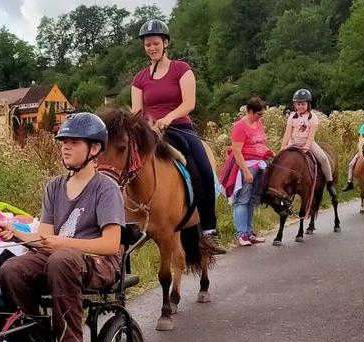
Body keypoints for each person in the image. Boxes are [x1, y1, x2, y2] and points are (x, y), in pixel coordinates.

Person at [0, 113, 124, 342]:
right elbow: (45, 239)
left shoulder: (106, 188)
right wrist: (15, 233)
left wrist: (62, 244)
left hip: (99, 263)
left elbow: (111, 245)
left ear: (95, 148)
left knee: (61, 259)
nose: (65, 146)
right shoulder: (54, 187)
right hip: (60, 259)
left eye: (74, 142)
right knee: (11, 269)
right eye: (63, 141)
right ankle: (36, 341)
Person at [130, 19, 226, 254]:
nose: (151, 48)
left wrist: (167, 119)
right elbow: (136, 111)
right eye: (147, 45)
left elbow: (189, 103)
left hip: (179, 128)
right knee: (123, 167)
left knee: (202, 168)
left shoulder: (181, 69)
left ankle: (209, 231)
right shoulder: (139, 78)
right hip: (150, 132)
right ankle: (128, 225)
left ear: (165, 44)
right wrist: (146, 125)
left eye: (155, 43)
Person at [227, 97, 272, 246]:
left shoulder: (258, 123)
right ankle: (241, 234)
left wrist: (267, 152)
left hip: (259, 164)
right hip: (247, 166)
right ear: (250, 111)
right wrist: (245, 171)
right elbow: (236, 151)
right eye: (259, 114)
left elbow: (260, 142)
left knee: (252, 200)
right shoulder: (240, 127)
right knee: (242, 200)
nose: (260, 117)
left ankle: (249, 232)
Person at [280, 88, 334, 186]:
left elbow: (311, 134)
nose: (300, 106)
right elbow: (287, 133)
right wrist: (283, 147)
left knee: (324, 159)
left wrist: (307, 146)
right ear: (295, 105)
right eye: (298, 104)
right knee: (280, 159)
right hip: (293, 143)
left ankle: (330, 183)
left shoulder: (313, 117)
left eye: (303, 104)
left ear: (308, 104)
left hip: (308, 143)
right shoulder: (291, 117)